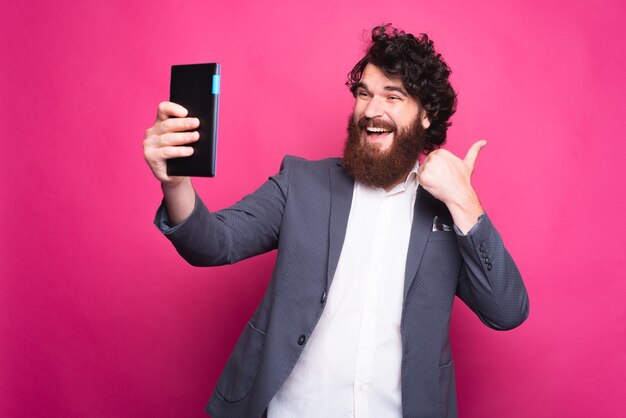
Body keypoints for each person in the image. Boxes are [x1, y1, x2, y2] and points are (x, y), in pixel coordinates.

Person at [143, 24, 529, 418]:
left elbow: (507, 310)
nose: (371, 111)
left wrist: (465, 202)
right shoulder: (301, 183)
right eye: (364, 94)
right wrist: (175, 183)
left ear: (426, 116)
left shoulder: (449, 210)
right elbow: (214, 243)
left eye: (392, 97)